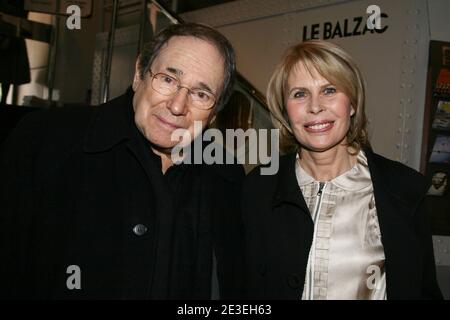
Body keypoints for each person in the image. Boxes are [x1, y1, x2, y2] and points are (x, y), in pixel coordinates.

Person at [0, 23, 244, 299]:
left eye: (201, 94)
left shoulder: (226, 176)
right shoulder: (46, 141)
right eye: (167, 79)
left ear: (214, 112)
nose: (177, 106)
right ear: (139, 72)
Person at [242, 40, 443, 299]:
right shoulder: (257, 188)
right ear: (285, 111)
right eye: (299, 94)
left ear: (352, 104)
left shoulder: (402, 191)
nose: (315, 106)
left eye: (329, 90)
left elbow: (424, 291)